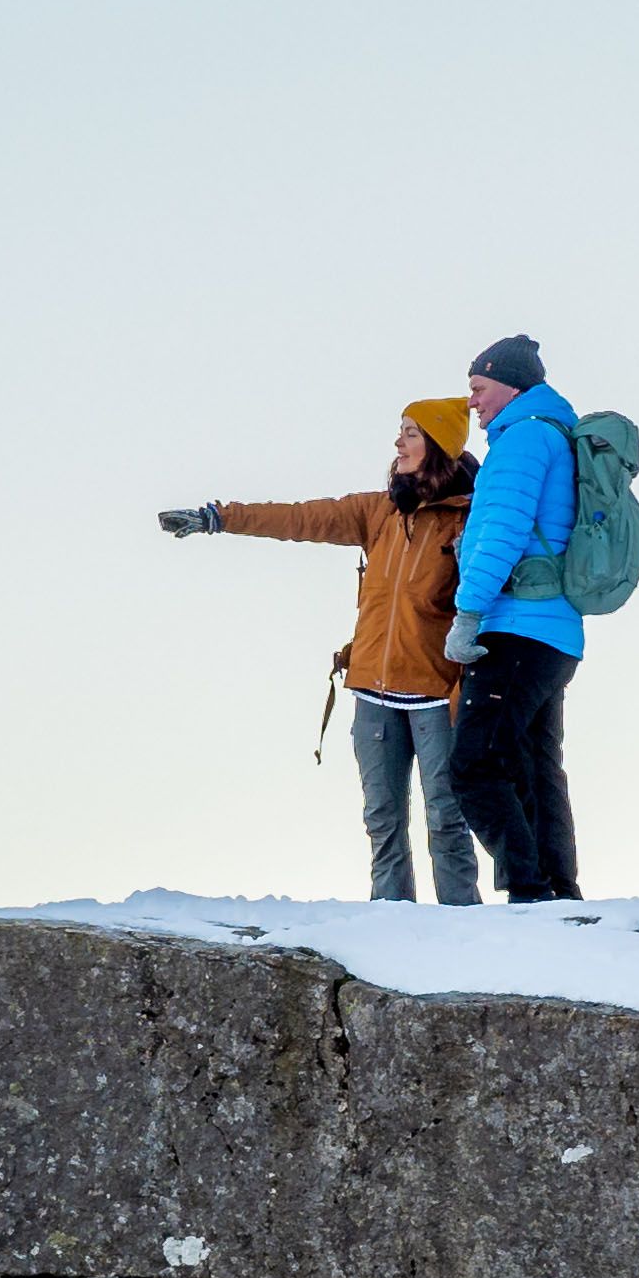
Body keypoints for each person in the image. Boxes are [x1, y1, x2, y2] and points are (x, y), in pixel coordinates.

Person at [159, 398, 493, 902]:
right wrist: (218, 518)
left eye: (411, 434)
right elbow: (301, 518)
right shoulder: (376, 511)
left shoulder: (470, 518)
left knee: (447, 822)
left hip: (436, 694)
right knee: (382, 824)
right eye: (399, 432)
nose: (398, 443)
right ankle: (392, 924)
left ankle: (462, 930)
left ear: (440, 446)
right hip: (372, 695)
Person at [438, 327, 586, 903]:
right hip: (554, 633)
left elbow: (500, 532)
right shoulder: (556, 434)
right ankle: (555, 890)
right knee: (532, 767)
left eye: (478, 387)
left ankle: (530, 892)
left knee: (474, 766)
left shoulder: (522, 441)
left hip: (515, 628)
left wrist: (468, 614)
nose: (472, 400)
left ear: (508, 384)